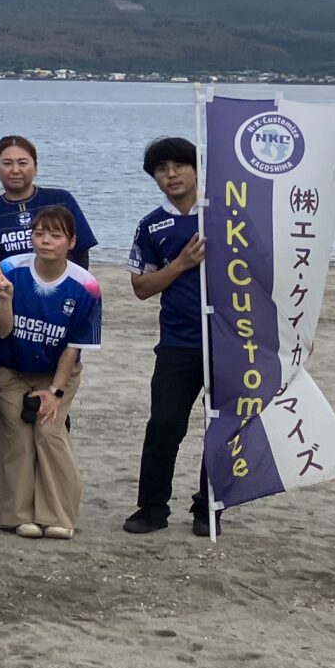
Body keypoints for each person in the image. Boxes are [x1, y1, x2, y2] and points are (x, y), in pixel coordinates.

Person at [0, 205, 100, 540]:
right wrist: (4, 299)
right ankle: (15, 513)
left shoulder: (86, 286)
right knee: (17, 428)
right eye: (39, 233)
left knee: (49, 431)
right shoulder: (9, 270)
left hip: (56, 370)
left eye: (55, 234)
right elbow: (1, 332)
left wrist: (55, 393)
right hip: (9, 367)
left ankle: (58, 514)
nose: (45, 240)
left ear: (71, 241)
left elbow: (73, 348)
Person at [123, 136, 211, 536]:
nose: (171, 174)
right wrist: (180, 264)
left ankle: (209, 507)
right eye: (162, 169)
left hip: (229, 339)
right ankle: (152, 507)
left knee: (223, 427)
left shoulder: (225, 213)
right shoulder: (151, 225)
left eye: (179, 166)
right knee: (164, 426)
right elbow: (141, 287)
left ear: (196, 168)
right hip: (178, 341)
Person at [0, 134, 98, 274]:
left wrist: (70, 284)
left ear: (35, 168)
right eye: (7, 163)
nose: (15, 170)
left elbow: (81, 251)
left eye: (22, 163)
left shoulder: (61, 200)